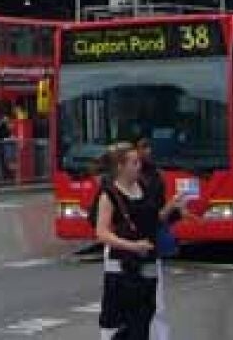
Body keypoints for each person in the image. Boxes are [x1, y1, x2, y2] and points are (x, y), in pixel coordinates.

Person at [94, 142, 162, 340]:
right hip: (122, 270)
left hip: (148, 264)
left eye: (139, 162)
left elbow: (153, 221)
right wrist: (133, 246)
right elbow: (102, 232)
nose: (139, 166)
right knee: (122, 324)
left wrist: (172, 207)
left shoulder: (144, 187)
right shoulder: (110, 195)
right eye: (134, 162)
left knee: (144, 320)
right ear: (120, 167)